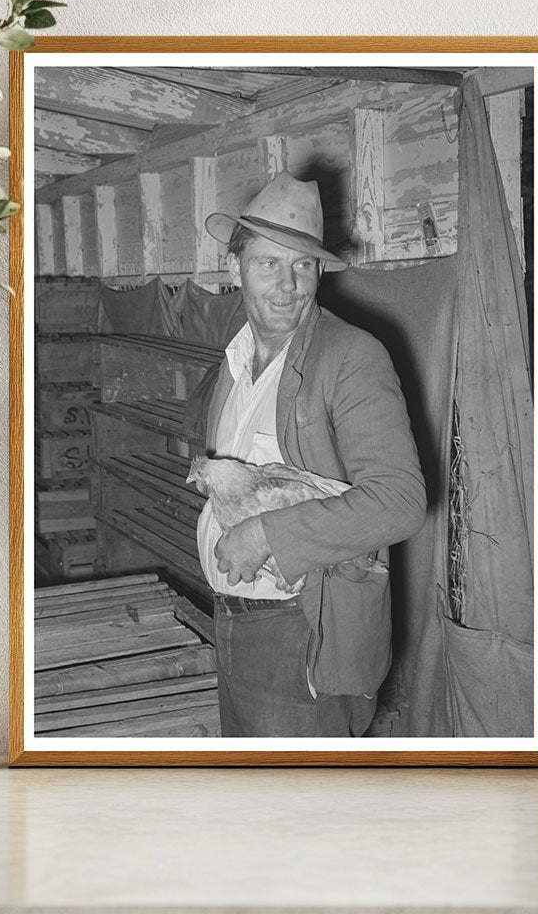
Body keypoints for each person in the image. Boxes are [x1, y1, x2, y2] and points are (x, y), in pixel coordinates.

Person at [196, 171, 426, 737]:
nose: (287, 285)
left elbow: (400, 502)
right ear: (234, 270)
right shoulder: (229, 364)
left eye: (303, 266)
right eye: (268, 264)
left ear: (319, 272)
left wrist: (266, 537)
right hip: (230, 621)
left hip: (304, 634)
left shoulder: (350, 357)